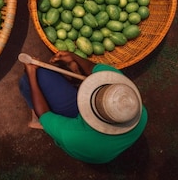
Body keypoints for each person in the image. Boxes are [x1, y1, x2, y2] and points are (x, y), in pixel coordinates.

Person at [18, 51, 148, 164]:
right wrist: (73, 57)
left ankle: (36, 121)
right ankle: (72, 81)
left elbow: (44, 114)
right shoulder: (135, 108)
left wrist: (31, 74)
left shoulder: (75, 135)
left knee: (28, 81)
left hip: (86, 146)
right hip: (105, 148)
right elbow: (93, 67)